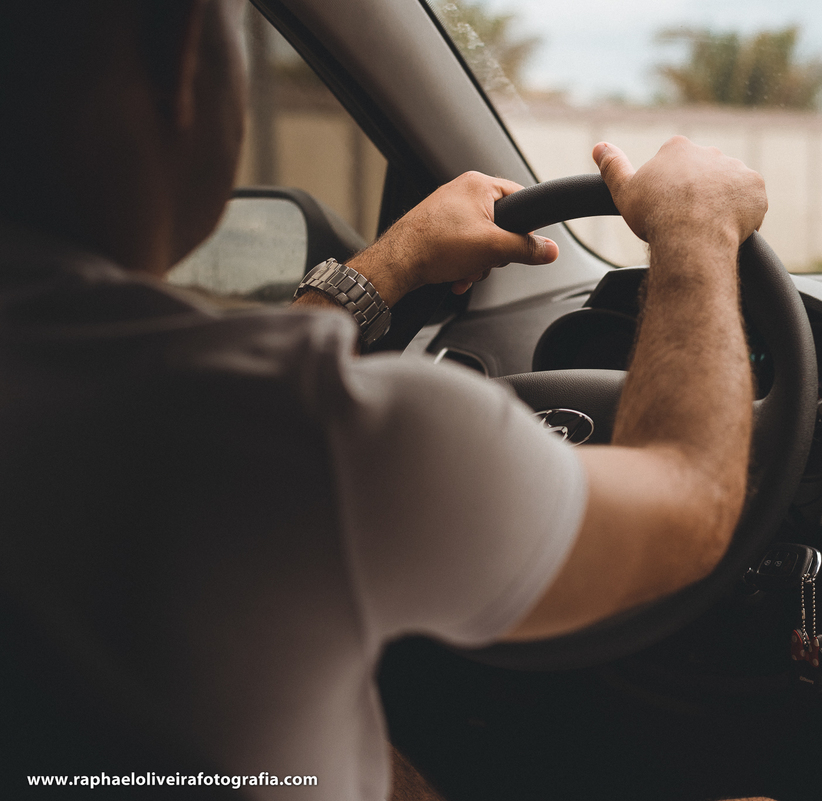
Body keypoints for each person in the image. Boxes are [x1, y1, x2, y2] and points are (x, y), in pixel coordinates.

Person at [0, 2, 774, 799]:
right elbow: (689, 502)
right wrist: (694, 228)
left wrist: (390, 263)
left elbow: (235, 410)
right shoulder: (308, 436)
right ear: (181, 54)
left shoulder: (204, 416)